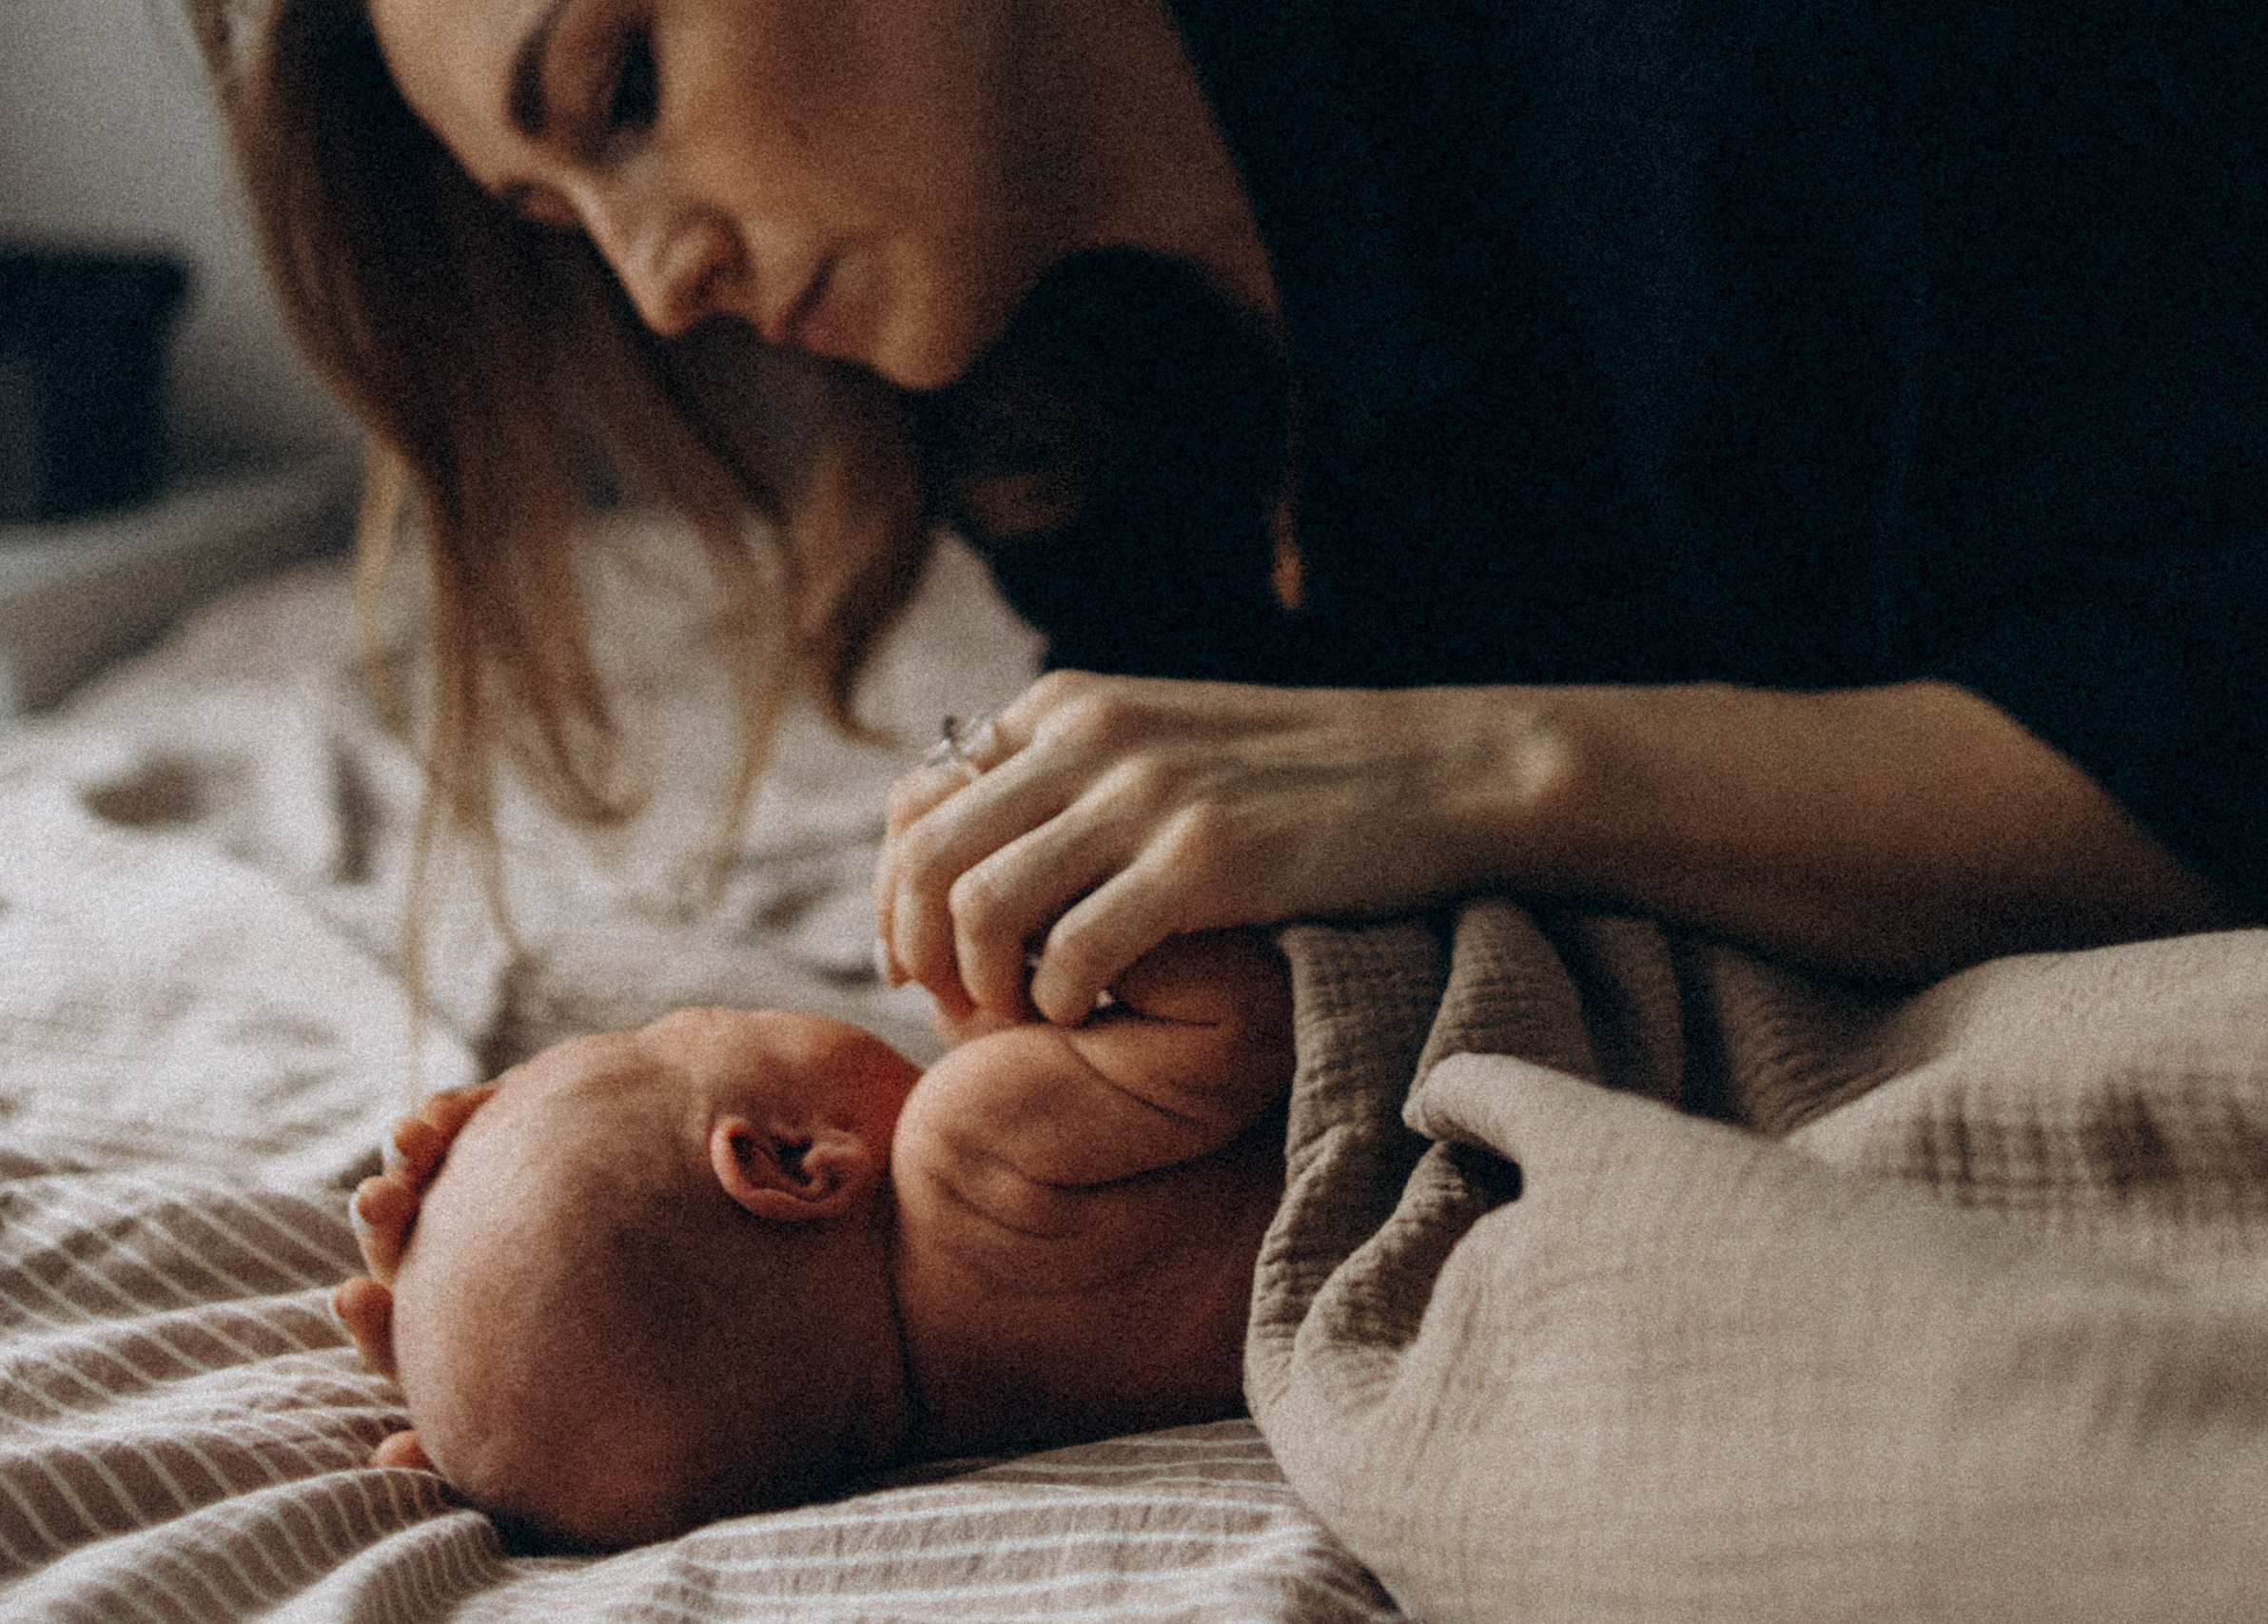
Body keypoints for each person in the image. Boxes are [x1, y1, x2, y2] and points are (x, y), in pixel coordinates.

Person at [183, 0, 2264, 1029]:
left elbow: (2205, 710)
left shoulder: (1739, 81)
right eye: (560, 220)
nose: (659, 287)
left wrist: (1484, 771)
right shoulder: (1064, 389)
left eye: (622, 92)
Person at [329, 928, 1295, 1549]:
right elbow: (1248, 1014)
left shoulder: (944, 1419)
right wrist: (1040, 938)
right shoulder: (965, 1144)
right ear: (793, 1164)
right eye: (712, 1021)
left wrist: (512, 1442)